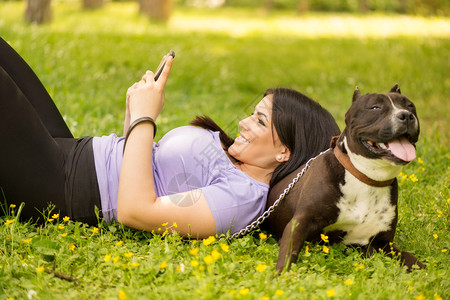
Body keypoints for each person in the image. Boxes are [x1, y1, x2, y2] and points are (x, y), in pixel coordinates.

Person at [0, 37, 340, 238]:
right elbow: (142, 166)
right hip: (71, 152)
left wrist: (147, 118)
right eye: (253, 113)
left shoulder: (241, 198)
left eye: (260, 120)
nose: (242, 122)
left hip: (61, 188)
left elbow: (134, 210)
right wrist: (135, 113)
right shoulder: (232, 160)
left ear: (285, 152)